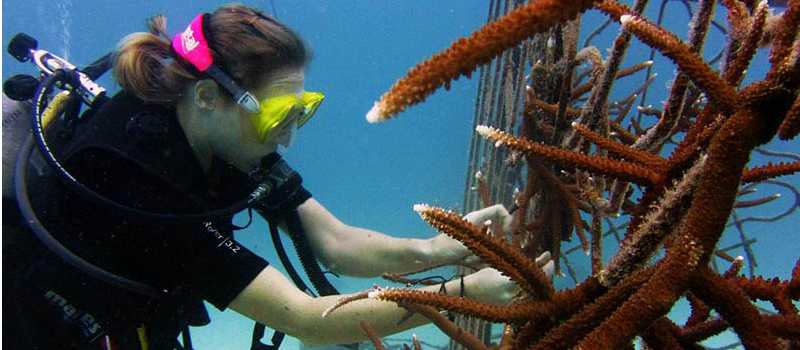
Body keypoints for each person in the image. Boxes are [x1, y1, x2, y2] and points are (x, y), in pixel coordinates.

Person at [3, 4, 554, 350]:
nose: (288, 137)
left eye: (300, 112)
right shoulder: (137, 187)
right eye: (277, 117)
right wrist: (465, 296)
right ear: (208, 96)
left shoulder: (224, 137)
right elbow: (307, 319)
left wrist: (446, 247)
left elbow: (337, 244)